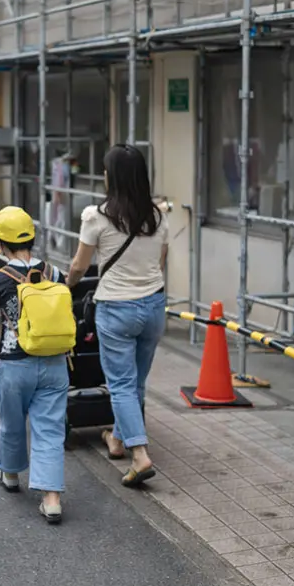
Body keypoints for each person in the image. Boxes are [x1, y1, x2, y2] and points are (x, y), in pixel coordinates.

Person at [66, 144, 168, 487]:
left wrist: (67, 286)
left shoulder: (97, 217)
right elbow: (160, 263)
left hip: (116, 308)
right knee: (136, 382)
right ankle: (118, 439)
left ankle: (139, 455)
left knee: (121, 385)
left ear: (113, 177)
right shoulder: (158, 216)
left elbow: (79, 266)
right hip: (153, 305)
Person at [0, 207, 71, 523]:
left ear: (1, 243)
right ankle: (52, 499)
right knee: (50, 429)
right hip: (55, 361)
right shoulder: (54, 273)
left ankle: (11, 473)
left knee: (12, 422)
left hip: (15, 363)